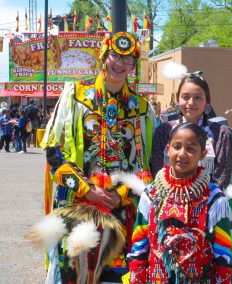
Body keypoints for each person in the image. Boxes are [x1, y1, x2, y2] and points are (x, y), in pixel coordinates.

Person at [39, 31, 156, 283]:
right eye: (115, 55)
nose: (120, 64)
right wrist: (87, 189)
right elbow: (53, 152)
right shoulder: (75, 96)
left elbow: (145, 166)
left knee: (119, 275)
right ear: (104, 56)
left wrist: (120, 195)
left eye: (128, 60)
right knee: (76, 272)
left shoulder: (142, 108)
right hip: (77, 204)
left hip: (122, 211)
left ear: (134, 66)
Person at [127, 122, 232, 283]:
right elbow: (138, 248)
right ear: (167, 148)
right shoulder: (151, 194)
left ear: (203, 154)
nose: (182, 154)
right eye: (177, 147)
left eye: (190, 149)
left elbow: (223, 257)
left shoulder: (213, 198)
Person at [151, 72, 232, 188]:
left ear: (207, 101)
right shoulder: (164, 131)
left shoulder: (220, 133)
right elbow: (158, 171)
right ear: (178, 100)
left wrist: (198, 199)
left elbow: (222, 177)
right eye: (185, 97)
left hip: (206, 200)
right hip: (170, 198)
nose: (191, 103)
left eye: (198, 97)